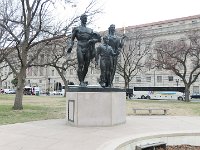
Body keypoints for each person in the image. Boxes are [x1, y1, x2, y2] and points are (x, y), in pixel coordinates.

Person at [67, 14, 101, 86]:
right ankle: (81, 81)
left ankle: (82, 79)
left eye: (86, 18)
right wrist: (70, 46)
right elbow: (72, 39)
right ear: (81, 19)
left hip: (88, 48)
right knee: (81, 65)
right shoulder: (77, 29)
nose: (86, 19)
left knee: (86, 66)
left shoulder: (90, 30)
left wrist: (93, 41)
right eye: (84, 18)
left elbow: (98, 39)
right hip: (80, 47)